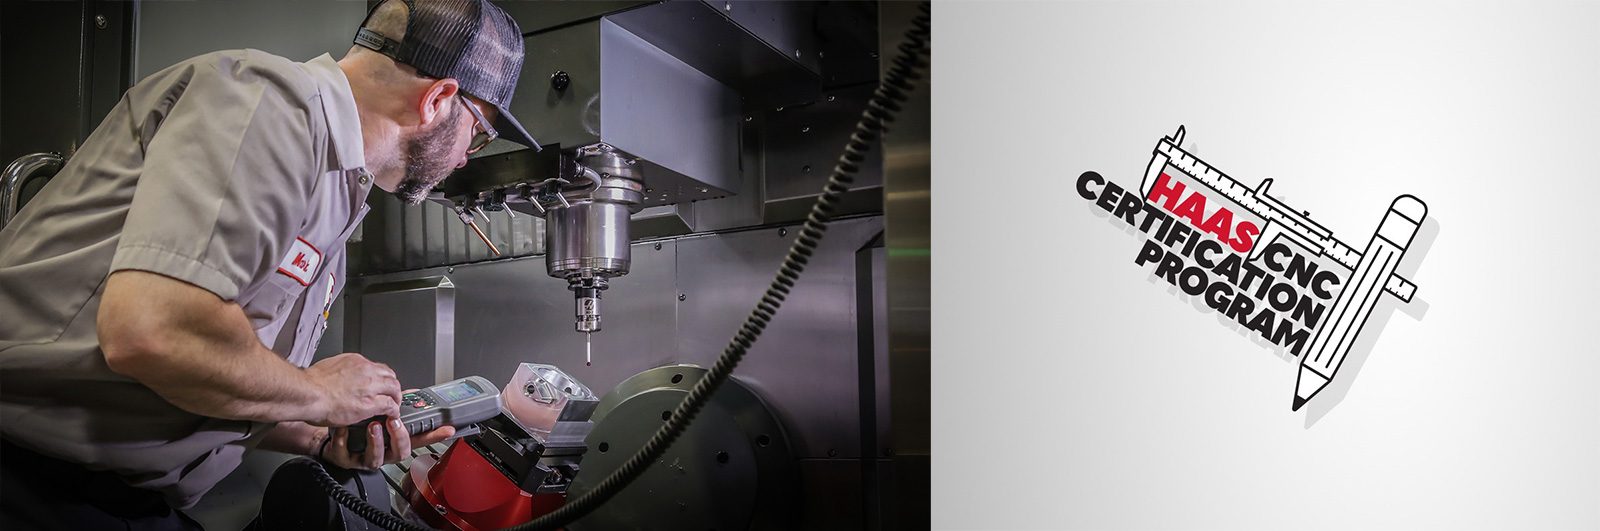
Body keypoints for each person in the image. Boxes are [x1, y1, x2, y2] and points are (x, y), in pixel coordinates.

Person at [0, 0, 539, 529]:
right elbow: (154, 334)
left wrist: (319, 433)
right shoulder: (266, 105)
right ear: (438, 99)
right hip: (30, 479)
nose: (465, 157)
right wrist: (320, 393)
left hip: (120, 498)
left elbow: (210, 375)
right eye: (479, 133)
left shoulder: (337, 185)